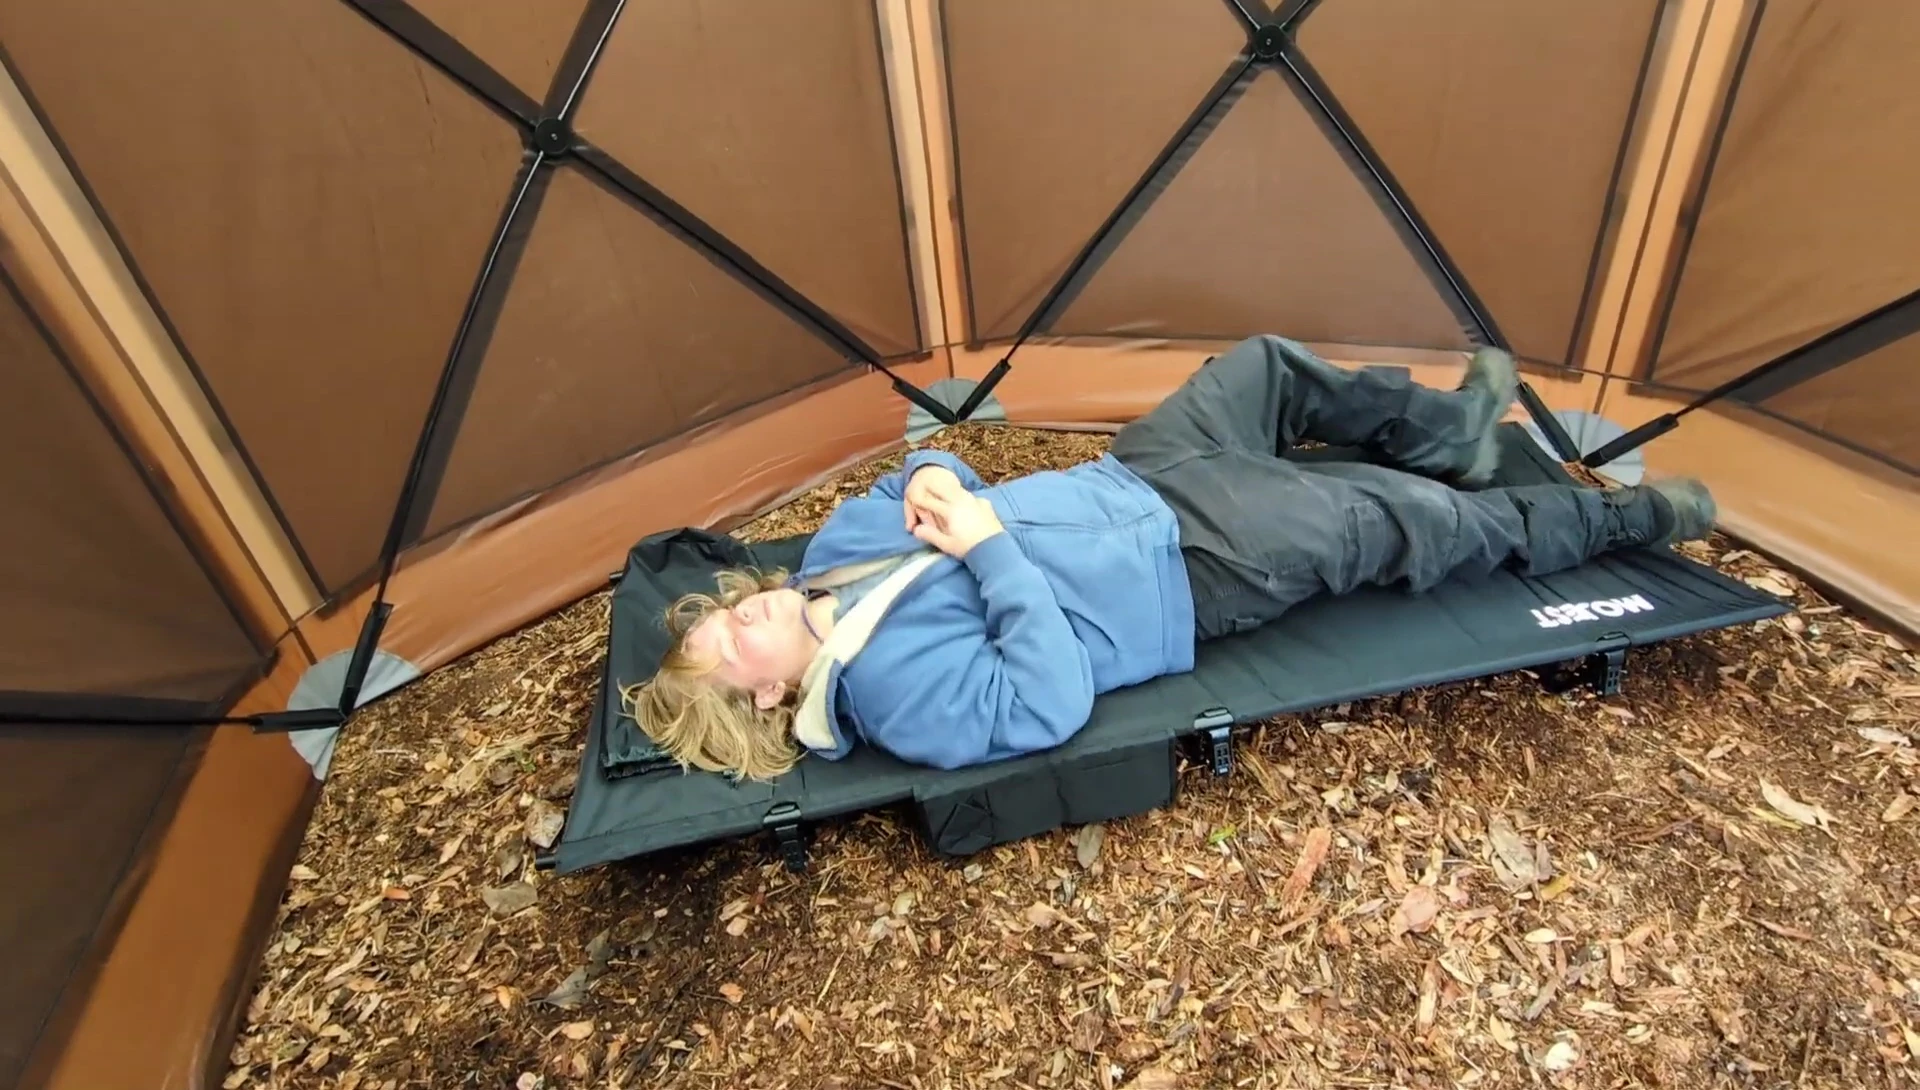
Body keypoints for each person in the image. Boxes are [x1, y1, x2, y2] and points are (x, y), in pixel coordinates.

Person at [626, 335, 1714, 780]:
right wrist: (992, 548)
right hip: (1192, 568)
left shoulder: (825, 559)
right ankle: (1622, 526)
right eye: (736, 640)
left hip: (1136, 474)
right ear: (768, 698)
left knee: (1265, 368)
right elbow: (1045, 699)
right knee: (1403, 523)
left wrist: (929, 485)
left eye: (730, 612)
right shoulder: (899, 701)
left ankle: (1455, 435)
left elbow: (908, 479)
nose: (749, 612)